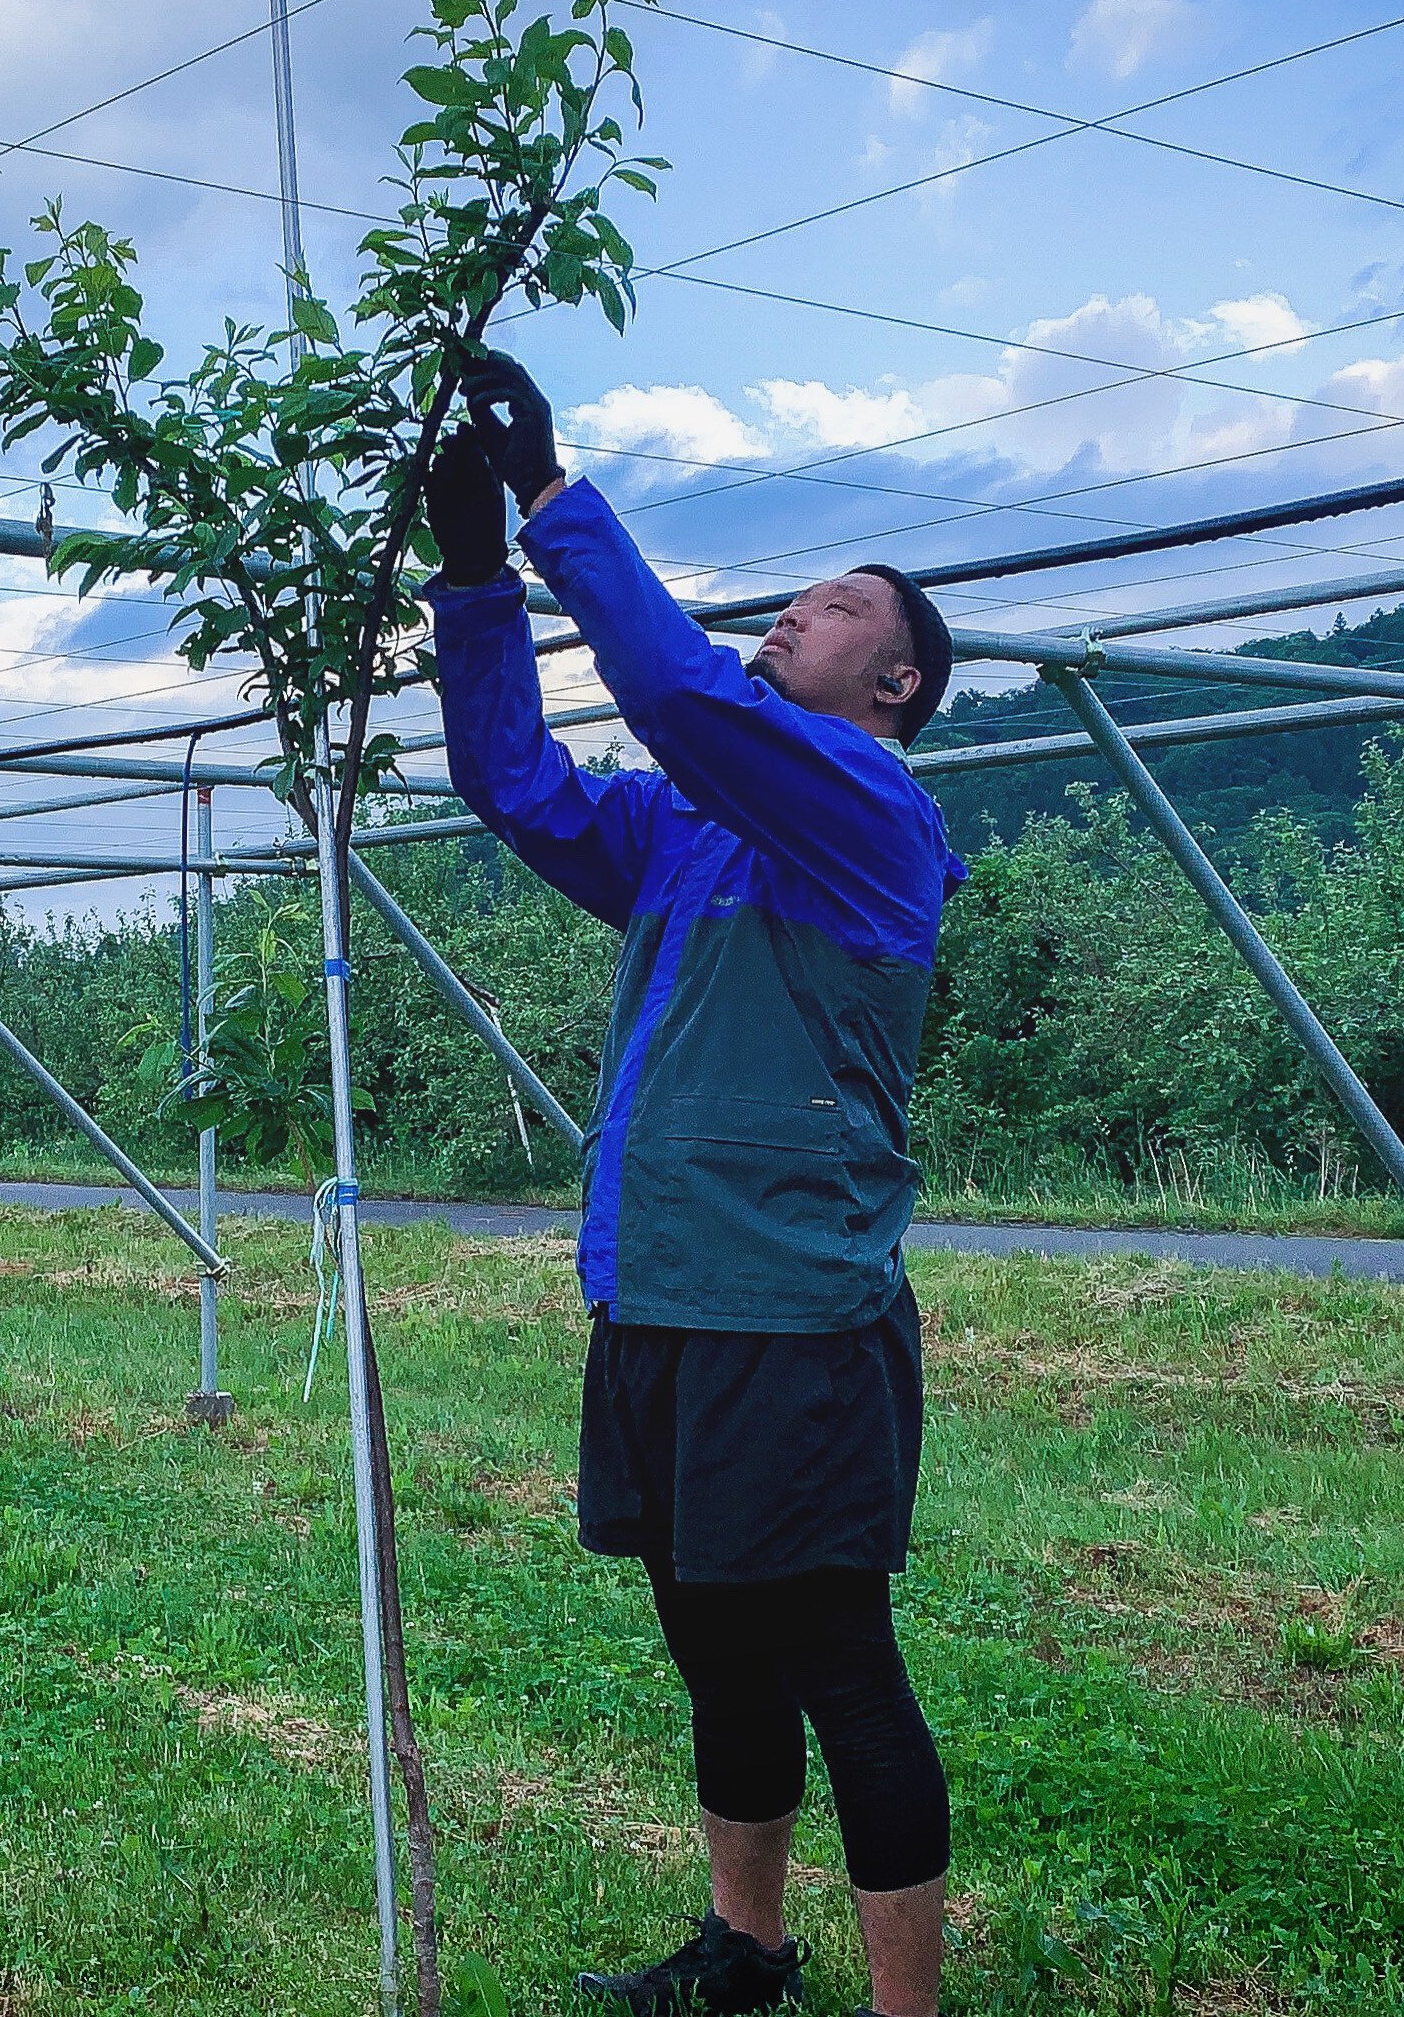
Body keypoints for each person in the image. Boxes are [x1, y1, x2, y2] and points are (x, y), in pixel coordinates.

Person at [422, 350, 962, 2017]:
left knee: (836, 1668)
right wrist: (467, 588)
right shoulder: (694, 836)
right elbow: (517, 786)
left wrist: (547, 499)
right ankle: (745, 1952)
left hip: (787, 1320)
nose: (791, 615)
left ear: (894, 685)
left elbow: (675, 699)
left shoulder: (869, 813)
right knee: (714, 1650)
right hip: (654, 1296)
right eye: (791, 597)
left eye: (832, 605)